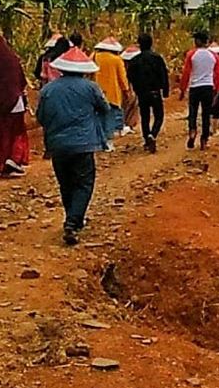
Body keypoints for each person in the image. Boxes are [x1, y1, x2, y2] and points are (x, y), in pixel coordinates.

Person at [35, 46, 110, 245]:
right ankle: (73, 221)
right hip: (83, 143)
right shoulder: (90, 88)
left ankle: (73, 219)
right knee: (84, 183)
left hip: (57, 144)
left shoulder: (47, 90)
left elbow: (40, 117)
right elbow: (105, 108)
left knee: (65, 183)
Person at [178, 30, 219, 150]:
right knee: (206, 113)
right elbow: (217, 76)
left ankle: (192, 130)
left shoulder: (191, 54)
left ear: (198, 41)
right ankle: (204, 138)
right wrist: (217, 91)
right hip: (208, 87)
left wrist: (182, 90)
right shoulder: (214, 56)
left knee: (193, 112)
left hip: (195, 87)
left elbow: (186, 73)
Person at [126, 32, 169, 153]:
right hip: (155, 91)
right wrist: (165, 90)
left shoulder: (134, 61)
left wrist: (135, 88)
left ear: (139, 45)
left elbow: (130, 76)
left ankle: (146, 140)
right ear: (151, 44)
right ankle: (153, 134)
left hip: (142, 93)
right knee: (159, 116)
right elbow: (163, 75)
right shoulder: (157, 58)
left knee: (145, 117)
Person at [0, 34, 30, 177]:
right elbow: (21, 79)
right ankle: (13, 160)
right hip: (14, 100)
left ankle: (9, 161)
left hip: (7, 101)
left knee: (6, 133)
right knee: (14, 132)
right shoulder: (11, 58)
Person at [93, 36, 129, 141]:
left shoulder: (95, 56)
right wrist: (126, 90)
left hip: (97, 90)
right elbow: (122, 78)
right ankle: (108, 140)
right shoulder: (117, 60)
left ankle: (99, 138)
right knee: (110, 116)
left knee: (99, 115)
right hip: (112, 92)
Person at [120, 44, 141, 134]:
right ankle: (127, 124)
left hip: (129, 84)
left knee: (130, 103)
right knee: (130, 102)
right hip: (130, 84)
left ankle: (128, 124)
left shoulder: (124, 63)